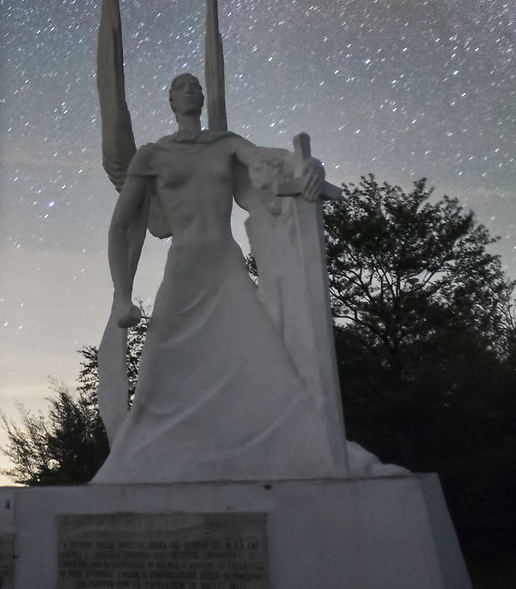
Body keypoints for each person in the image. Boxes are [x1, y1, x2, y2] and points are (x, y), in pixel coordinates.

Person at [95, 73, 344, 483]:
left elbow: (276, 160)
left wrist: (311, 166)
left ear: (202, 98)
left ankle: (294, 451)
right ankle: (138, 465)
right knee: (160, 378)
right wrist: (122, 294)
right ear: (171, 101)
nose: (190, 90)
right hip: (183, 270)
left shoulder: (227, 144)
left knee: (264, 362)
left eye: (195, 86)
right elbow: (120, 227)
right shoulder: (152, 155)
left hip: (225, 267)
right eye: (180, 87)